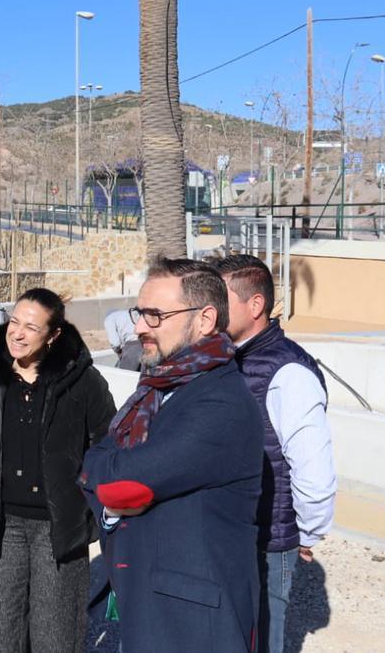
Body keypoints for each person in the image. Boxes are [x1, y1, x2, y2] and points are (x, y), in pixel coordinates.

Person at [79, 258, 264, 653]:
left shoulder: (219, 403)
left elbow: (116, 480)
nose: (139, 326)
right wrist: (103, 479)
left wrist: (101, 477)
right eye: (139, 313)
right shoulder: (158, 387)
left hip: (194, 622)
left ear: (204, 319)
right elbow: (102, 460)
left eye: (155, 315)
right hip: (148, 604)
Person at [0, 288, 116, 653]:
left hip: (57, 529)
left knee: (56, 635)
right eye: (14, 322)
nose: (18, 333)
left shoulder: (83, 383)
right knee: (3, 633)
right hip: (2, 525)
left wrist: (87, 511)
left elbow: (108, 447)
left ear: (54, 335)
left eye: (31, 327)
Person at [212, 254, 337, 653]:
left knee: (263, 639)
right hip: (229, 531)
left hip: (268, 538)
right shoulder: (225, 358)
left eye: (221, 300)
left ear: (255, 305)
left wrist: (307, 531)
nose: (210, 311)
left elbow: (313, 470)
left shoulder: (288, 372)